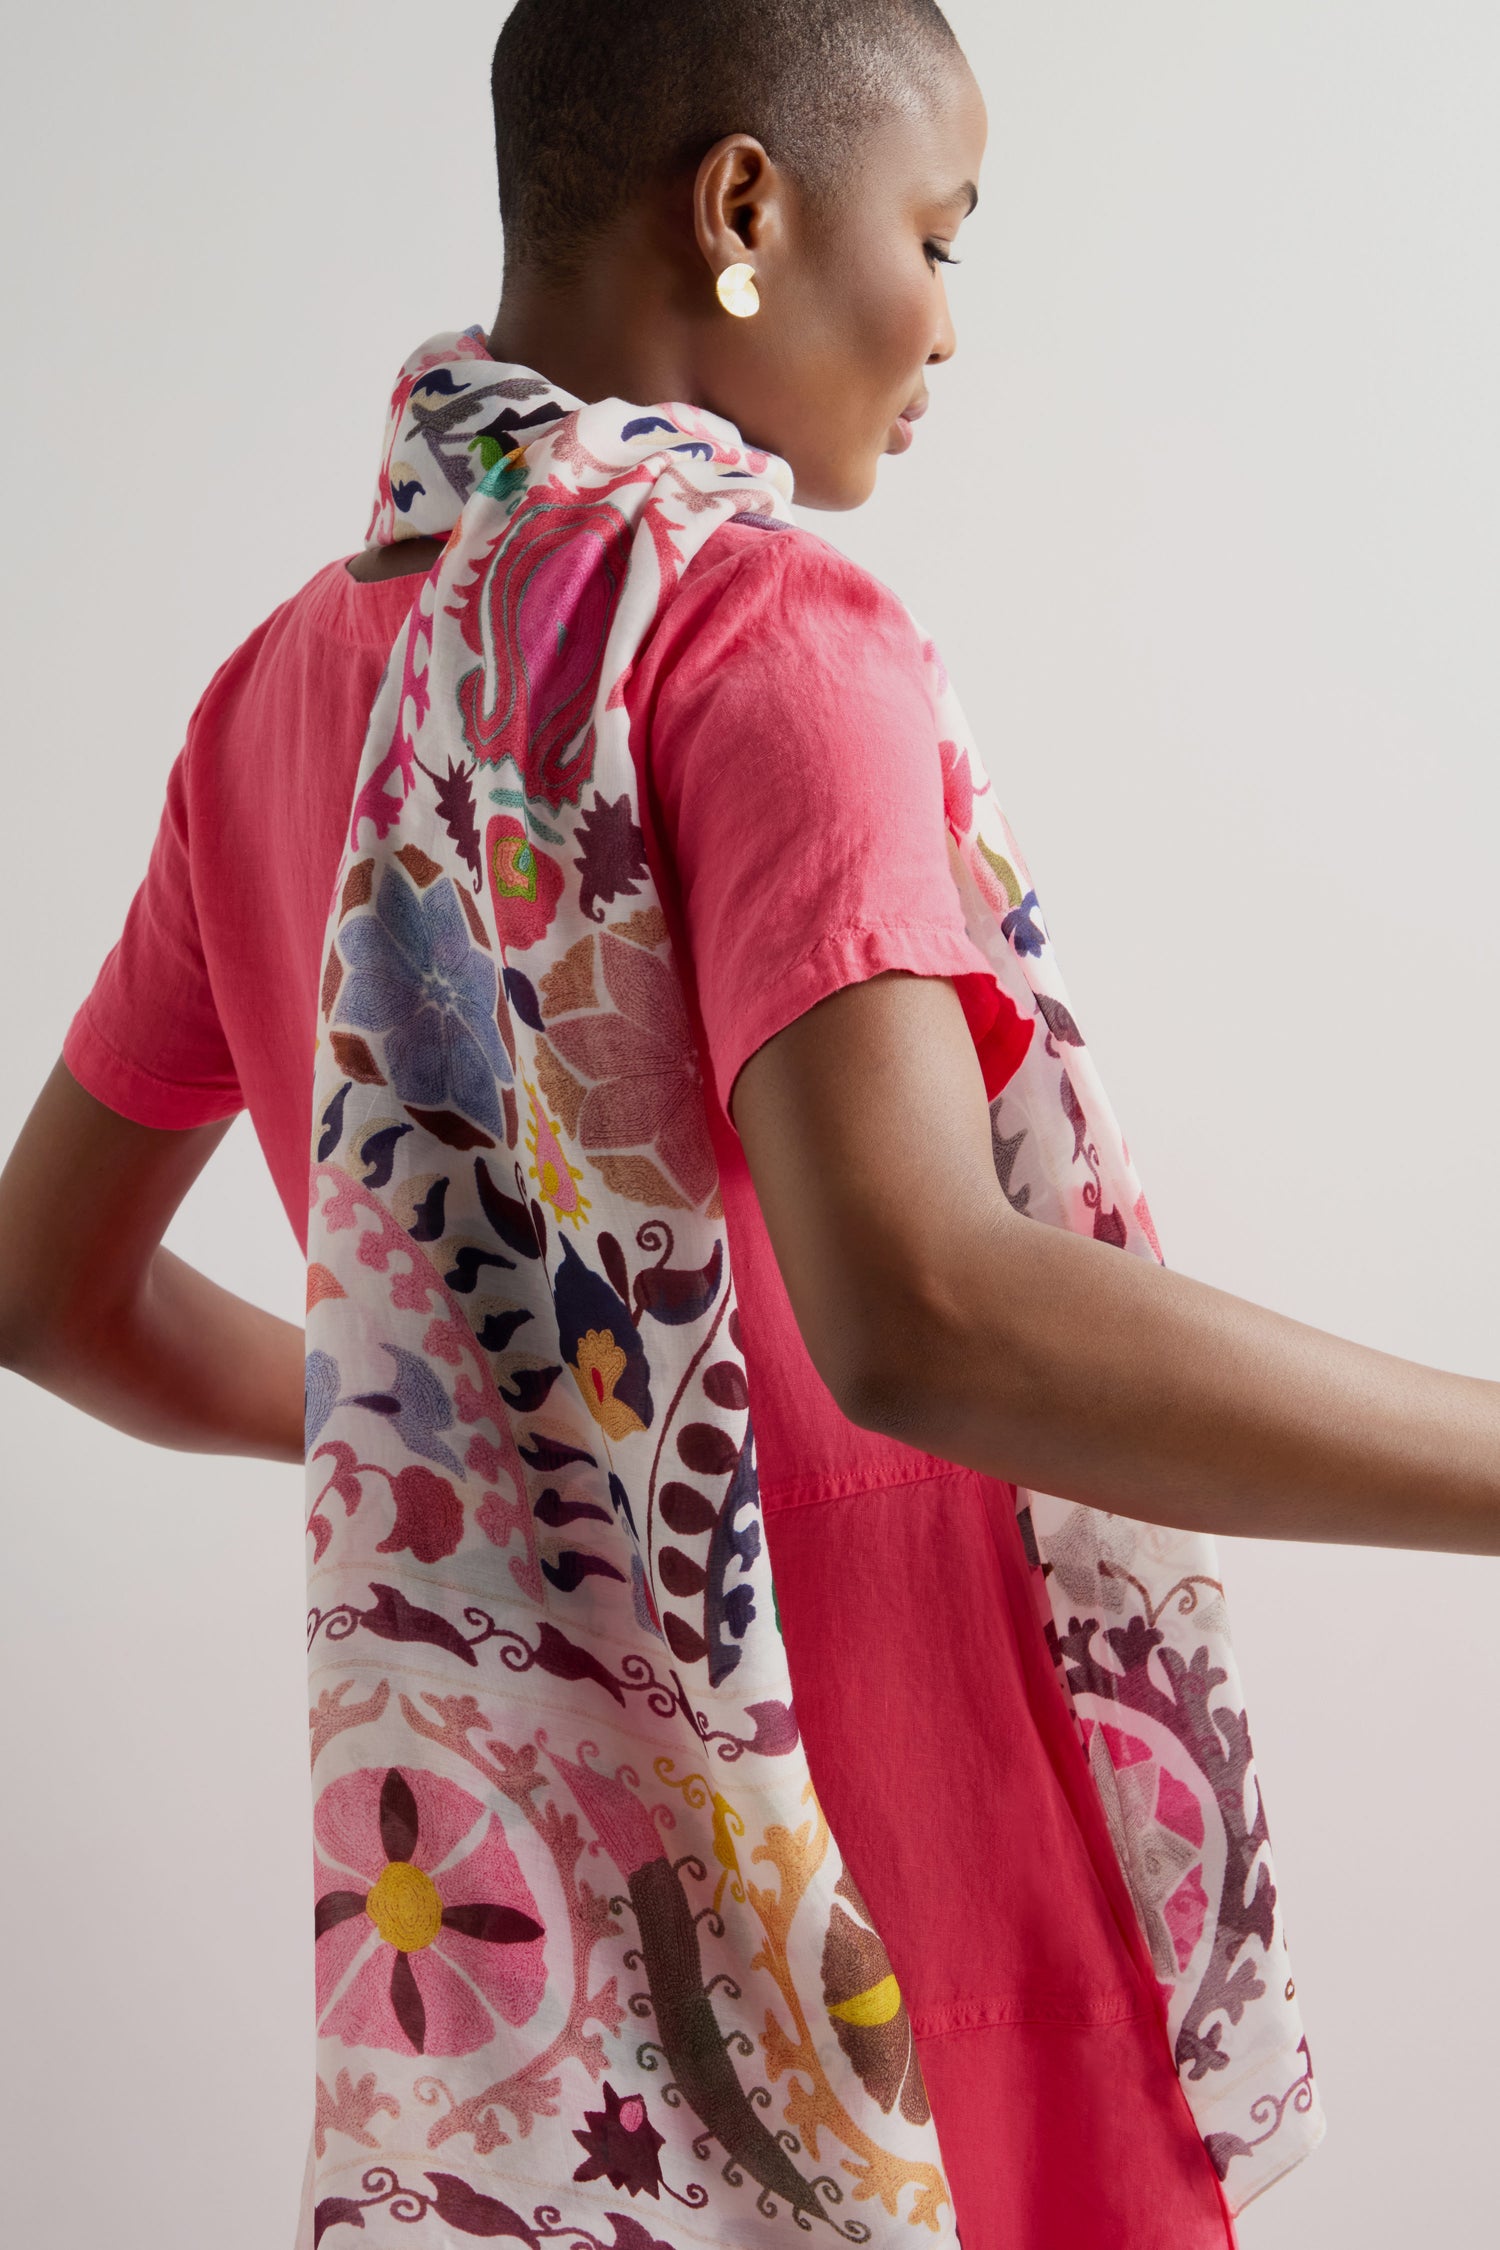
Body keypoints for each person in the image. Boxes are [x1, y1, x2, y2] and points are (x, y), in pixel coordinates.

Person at [3, 3, 1497, 2245]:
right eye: (937, 230)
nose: (949, 322)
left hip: (537, 1961)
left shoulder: (272, 701)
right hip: (893, 1862)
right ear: (741, 212)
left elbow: (47, 1291)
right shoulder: (761, 633)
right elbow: (927, 1314)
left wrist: (454, 1431)